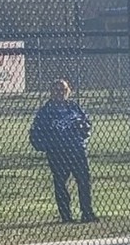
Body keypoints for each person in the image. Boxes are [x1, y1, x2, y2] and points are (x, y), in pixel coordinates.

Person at [29, 79, 97, 224]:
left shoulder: (73, 107)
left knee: (84, 181)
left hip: (77, 149)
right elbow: (35, 134)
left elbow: (87, 125)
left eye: (63, 90)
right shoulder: (46, 111)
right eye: (57, 90)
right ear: (51, 92)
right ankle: (66, 216)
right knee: (60, 183)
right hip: (58, 153)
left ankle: (87, 213)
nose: (60, 93)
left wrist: (83, 129)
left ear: (68, 91)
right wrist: (48, 147)